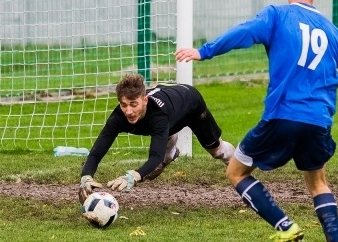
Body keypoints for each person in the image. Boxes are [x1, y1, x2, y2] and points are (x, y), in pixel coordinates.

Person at [176, 0, 338, 242]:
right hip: (319, 119)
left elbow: (245, 32)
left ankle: (285, 226)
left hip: (283, 114)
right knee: (318, 182)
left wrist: (206, 51)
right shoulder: (336, 35)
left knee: (236, 172)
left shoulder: (278, 15)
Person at [78, 73, 234, 203]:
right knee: (158, 157)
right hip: (169, 114)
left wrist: (133, 176)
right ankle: (171, 153)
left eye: (133, 104)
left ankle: (239, 167)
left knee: (217, 151)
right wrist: (86, 177)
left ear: (144, 100)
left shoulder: (158, 116)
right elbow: (97, 151)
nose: (128, 111)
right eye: (124, 104)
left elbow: (155, 156)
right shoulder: (119, 116)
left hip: (191, 103)